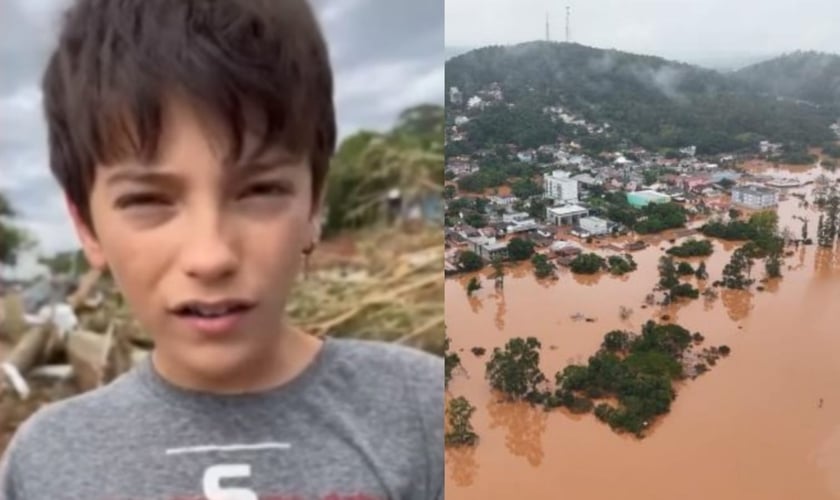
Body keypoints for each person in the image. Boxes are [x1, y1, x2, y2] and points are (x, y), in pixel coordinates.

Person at [0, 1, 443, 499]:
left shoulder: (429, 415)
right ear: (87, 226)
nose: (210, 257)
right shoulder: (47, 463)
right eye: (146, 200)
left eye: (259, 191)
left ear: (314, 203)